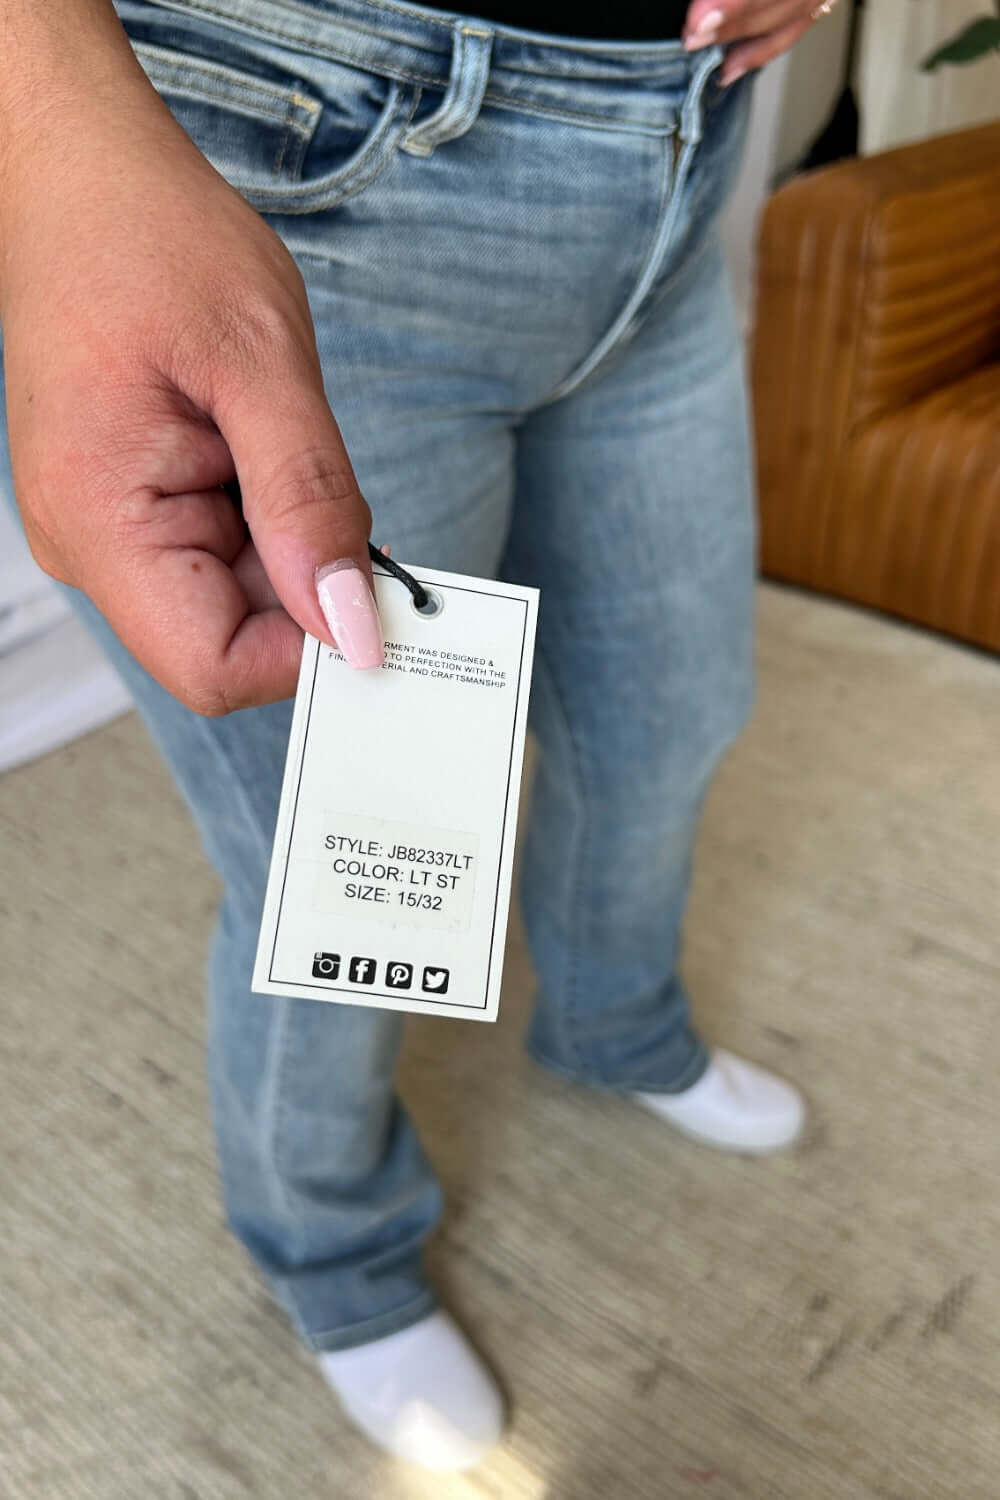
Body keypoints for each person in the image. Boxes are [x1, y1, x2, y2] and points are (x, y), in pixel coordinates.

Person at [0, 0, 829, 1472]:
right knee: (368, 851)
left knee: (669, 712)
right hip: (314, 148)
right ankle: (331, 1244)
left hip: (674, 145)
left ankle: (617, 1028)